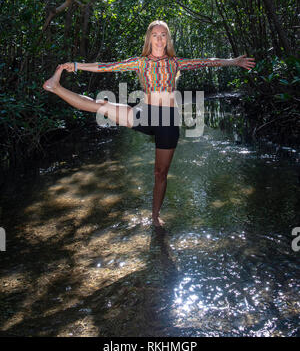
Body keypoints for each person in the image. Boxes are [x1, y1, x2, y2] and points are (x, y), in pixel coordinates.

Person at [43, 20, 255, 227]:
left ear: (168, 39)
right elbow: (106, 67)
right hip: (144, 113)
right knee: (100, 106)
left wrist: (233, 61)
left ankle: (155, 216)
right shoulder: (140, 62)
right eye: (155, 35)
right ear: (149, 38)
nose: (159, 39)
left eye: (163, 35)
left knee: (160, 173)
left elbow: (208, 61)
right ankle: (56, 87)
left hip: (168, 121)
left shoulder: (176, 63)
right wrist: (77, 66)